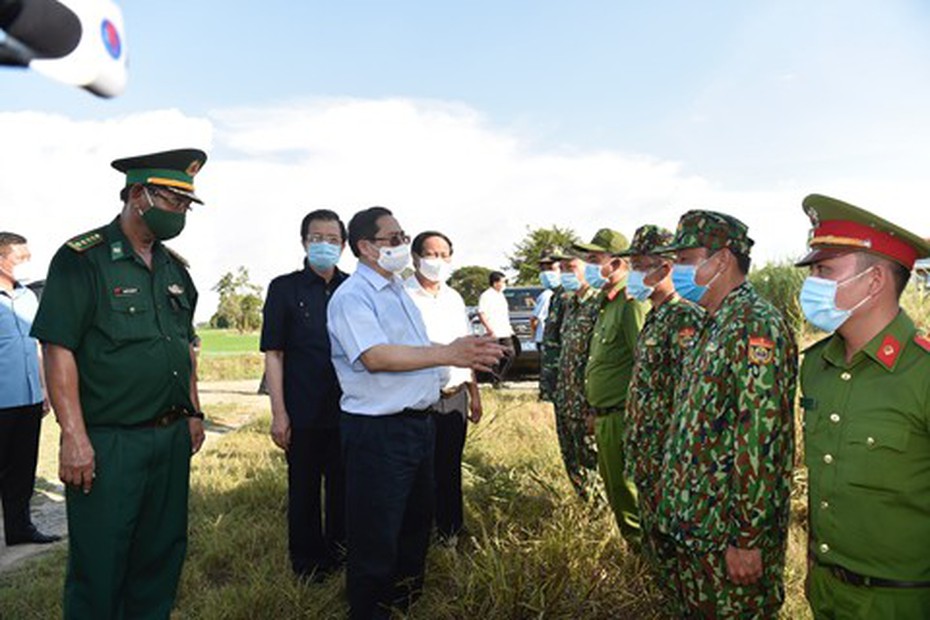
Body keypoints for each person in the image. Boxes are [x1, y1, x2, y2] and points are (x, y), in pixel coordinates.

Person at [30, 149, 208, 619]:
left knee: (161, 556)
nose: (180, 213)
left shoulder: (175, 269)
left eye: (186, 205)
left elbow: (185, 347)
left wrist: (192, 411)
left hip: (169, 439)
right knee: (101, 563)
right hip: (110, 442)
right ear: (136, 195)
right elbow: (58, 347)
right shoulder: (81, 259)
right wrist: (73, 436)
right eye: (172, 201)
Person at [327, 206, 504, 620]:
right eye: (394, 239)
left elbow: (417, 354)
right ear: (366, 247)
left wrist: (461, 356)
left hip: (417, 425)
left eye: (403, 237)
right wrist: (446, 352)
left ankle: (405, 602)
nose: (403, 246)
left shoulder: (398, 292)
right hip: (378, 432)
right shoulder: (353, 297)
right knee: (376, 534)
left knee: (413, 525)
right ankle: (371, 610)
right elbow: (374, 356)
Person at [656, 210, 798, 618]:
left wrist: (748, 539)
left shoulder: (755, 324)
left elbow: (761, 442)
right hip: (697, 529)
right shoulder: (713, 322)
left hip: (727, 539)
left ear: (720, 260)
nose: (677, 269)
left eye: (685, 258)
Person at [795, 194, 930, 618]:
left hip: (903, 601)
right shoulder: (816, 366)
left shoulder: (923, 372)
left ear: (873, 283)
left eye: (824, 270)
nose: (811, 282)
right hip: (826, 590)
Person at [260, 209, 348, 581]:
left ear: (343, 245)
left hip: (349, 409)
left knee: (345, 488)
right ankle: (309, 566)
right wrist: (279, 414)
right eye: (317, 238)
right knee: (305, 490)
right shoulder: (284, 288)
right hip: (303, 410)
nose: (324, 245)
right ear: (304, 242)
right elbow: (274, 354)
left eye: (332, 239)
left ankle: (342, 555)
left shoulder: (354, 288)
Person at [619, 224, 703, 611]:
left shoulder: (683, 319)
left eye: (640, 266)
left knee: (675, 551)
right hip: (647, 455)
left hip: (669, 460)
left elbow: (689, 398)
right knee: (656, 544)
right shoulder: (654, 315)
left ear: (666, 268)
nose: (633, 275)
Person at [405, 230, 482, 543]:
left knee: (450, 467)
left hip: (455, 394)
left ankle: (451, 531)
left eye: (444, 255)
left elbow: (468, 349)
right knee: (420, 470)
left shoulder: (454, 298)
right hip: (419, 396)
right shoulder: (402, 295)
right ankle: (420, 533)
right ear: (415, 258)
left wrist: (474, 394)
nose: (438, 261)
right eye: (431, 254)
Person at [580, 229, 647, 547]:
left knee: (631, 498)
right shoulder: (606, 303)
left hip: (624, 418)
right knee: (618, 496)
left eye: (594, 260)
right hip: (606, 417)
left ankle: (650, 570)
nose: (588, 266)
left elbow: (643, 365)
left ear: (617, 262)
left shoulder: (630, 303)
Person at [553, 228, 624, 504]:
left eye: (571, 267)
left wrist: (593, 408)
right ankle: (587, 508)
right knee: (574, 463)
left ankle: (601, 515)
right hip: (566, 401)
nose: (566, 273)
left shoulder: (601, 304)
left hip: (588, 405)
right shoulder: (570, 304)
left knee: (599, 467)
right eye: (563, 269)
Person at [0, 232, 59, 546]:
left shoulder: (28, 297)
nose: (26, 263)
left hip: (29, 397)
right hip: (1, 399)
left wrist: (45, 388)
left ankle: (19, 529)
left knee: (23, 468)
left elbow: (38, 346)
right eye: (19, 258)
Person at [477, 271, 516, 383]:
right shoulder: (486, 295)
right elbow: (481, 313)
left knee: (510, 354)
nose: (504, 284)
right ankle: (495, 381)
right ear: (495, 283)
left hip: (504, 331)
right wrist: (489, 329)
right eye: (503, 282)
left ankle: (499, 377)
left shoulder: (501, 295)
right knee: (495, 357)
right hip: (493, 332)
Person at [538, 251, 566, 403]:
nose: (546, 273)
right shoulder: (555, 297)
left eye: (550, 267)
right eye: (542, 268)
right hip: (556, 381)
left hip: (567, 381)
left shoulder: (568, 298)